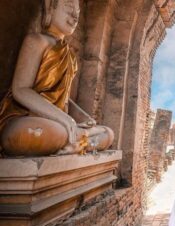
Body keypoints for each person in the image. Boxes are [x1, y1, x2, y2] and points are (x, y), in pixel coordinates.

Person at [0, 0, 114, 156]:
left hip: (59, 123)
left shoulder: (70, 57)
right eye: (68, 8)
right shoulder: (37, 41)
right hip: (26, 118)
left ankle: (76, 142)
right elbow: (20, 90)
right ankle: (81, 142)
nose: (75, 16)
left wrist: (83, 118)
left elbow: (65, 98)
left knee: (108, 133)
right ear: (50, 8)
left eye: (78, 12)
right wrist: (65, 119)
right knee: (37, 132)